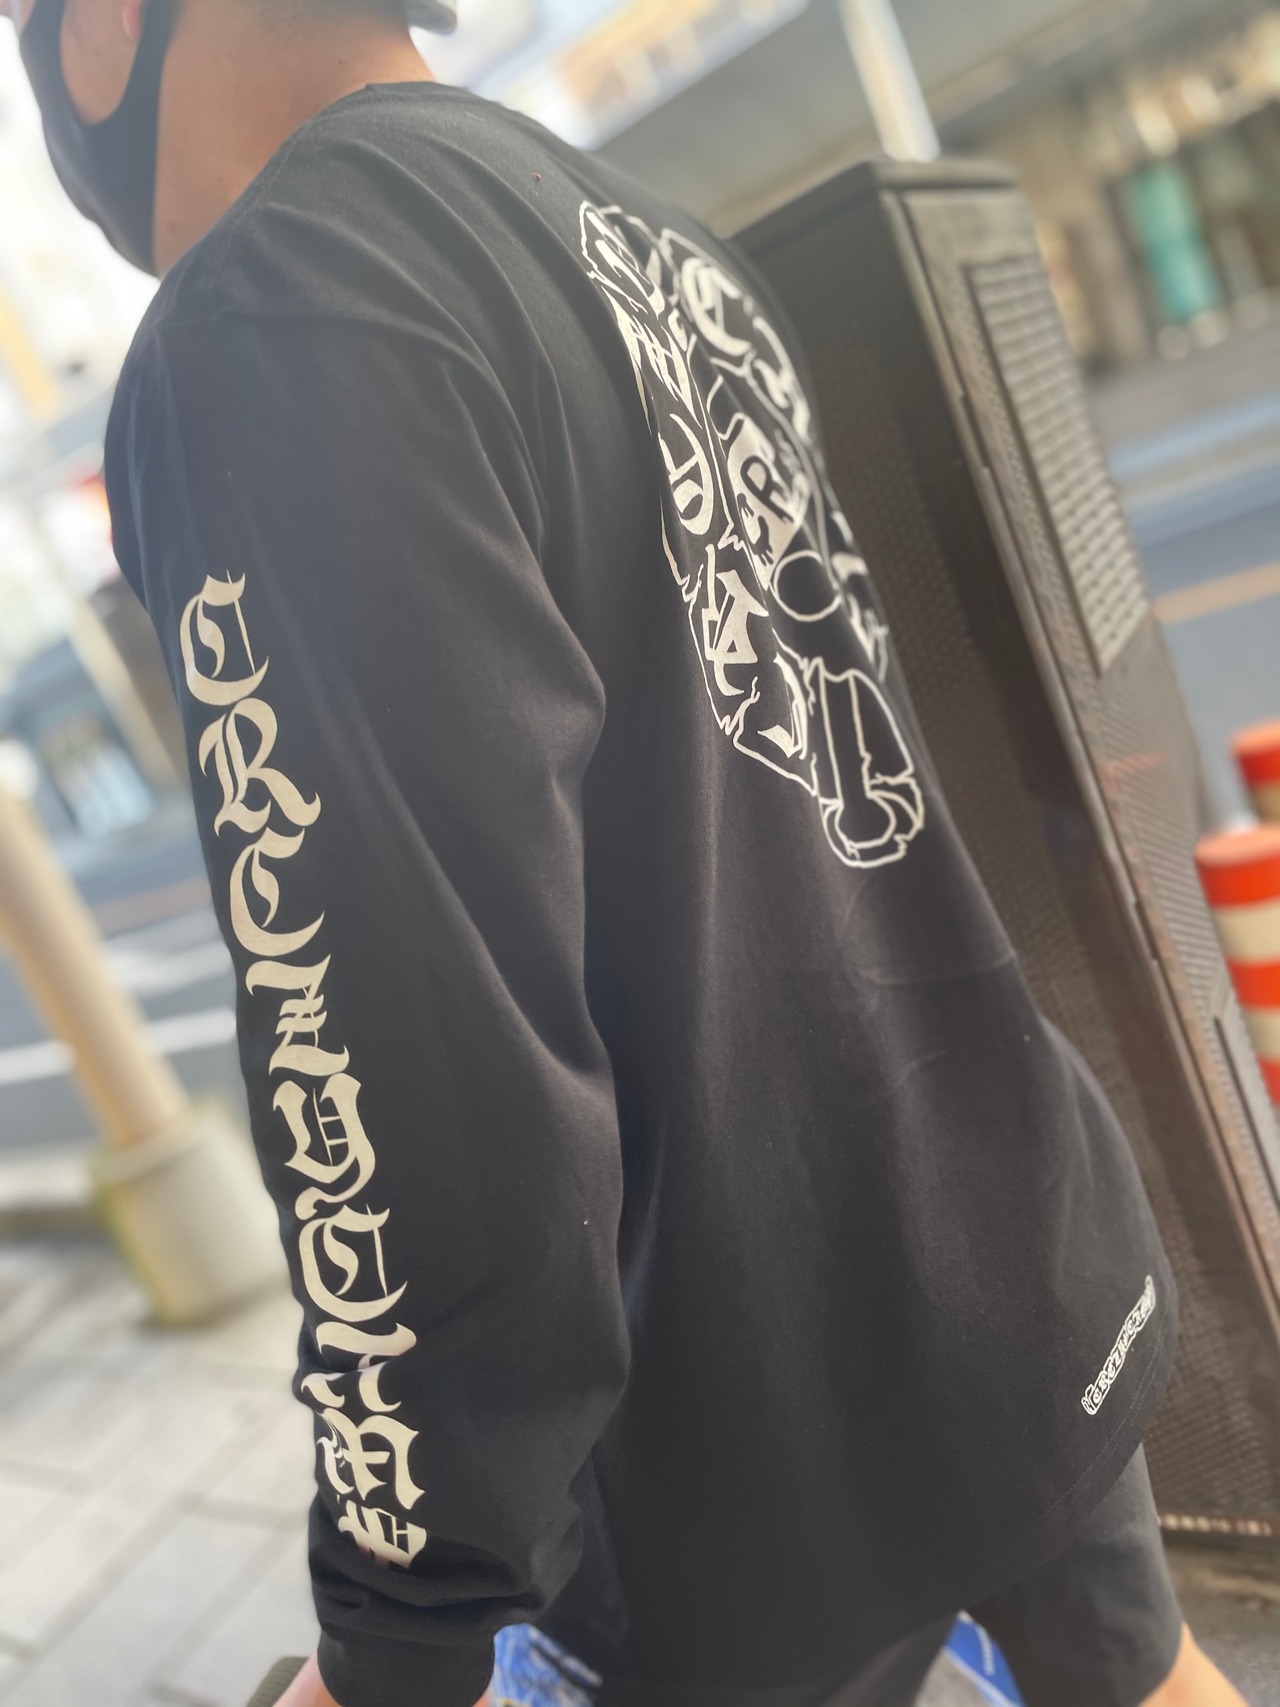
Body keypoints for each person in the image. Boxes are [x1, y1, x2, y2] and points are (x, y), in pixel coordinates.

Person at [2, 2, 1251, 1705]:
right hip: (1010, 1227)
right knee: (1146, 1678)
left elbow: (396, 1049)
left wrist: (398, 1623)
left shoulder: (269, 318)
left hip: (732, 1437)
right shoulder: (645, 234)